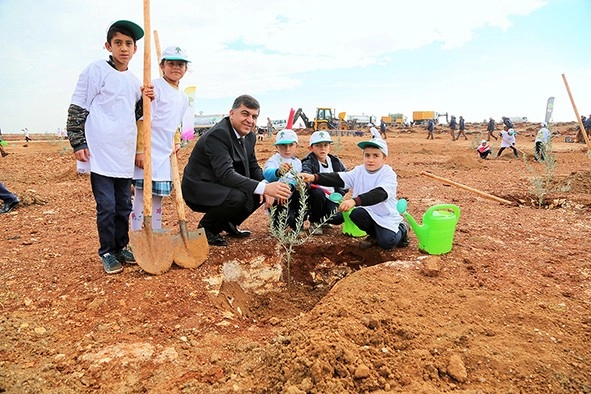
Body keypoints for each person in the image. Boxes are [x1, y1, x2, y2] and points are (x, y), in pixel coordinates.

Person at [67, 19, 151, 274]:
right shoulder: (96, 70)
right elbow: (78, 106)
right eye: (118, 43)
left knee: (124, 205)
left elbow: (138, 116)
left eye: (128, 44)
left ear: (135, 49)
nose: (124, 48)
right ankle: (106, 251)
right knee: (107, 205)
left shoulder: (135, 81)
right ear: (108, 46)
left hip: (123, 153)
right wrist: (78, 141)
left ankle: (121, 246)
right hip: (100, 151)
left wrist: (147, 98)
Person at [181, 94, 292, 246]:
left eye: (254, 116)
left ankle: (228, 223)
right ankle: (207, 229)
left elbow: (253, 166)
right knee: (241, 195)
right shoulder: (219, 135)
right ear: (232, 114)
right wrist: (265, 187)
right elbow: (226, 175)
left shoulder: (250, 136)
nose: (250, 120)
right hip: (200, 188)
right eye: (245, 114)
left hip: (220, 184)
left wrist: (265, 185)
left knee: (258, 189)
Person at [299, 138, 408, 250]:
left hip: (386, 215)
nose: (370, 160)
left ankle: (403, 228)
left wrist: (354, 201)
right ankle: (374, 235)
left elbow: (379, 194)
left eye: (376, 156)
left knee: (387, 243)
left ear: (385, 159)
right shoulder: (359, 171)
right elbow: (338, 178)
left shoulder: (388, 174)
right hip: (368, 212)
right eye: (367, 155)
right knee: (356, 214)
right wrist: (314, 177)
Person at [131, 45, 190, 232]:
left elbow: (175, 124)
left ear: (186, 68)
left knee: (157, 198)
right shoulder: (154, 87)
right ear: (162, 65)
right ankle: (136, 236)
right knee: (141, 196)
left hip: (164, 153)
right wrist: (140, 150)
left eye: (180, 64)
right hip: (149, 149)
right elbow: (142, 120)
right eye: (171, 63)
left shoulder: (183, 97)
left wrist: (177, 140)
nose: (176, 68)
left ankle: (155, 234)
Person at [301, 131, 347, 235]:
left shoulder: (335, 162)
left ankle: (324, 220)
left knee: (338, 217)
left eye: (325, 145)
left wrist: (340, 193)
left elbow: (346, 178)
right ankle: (315, 221)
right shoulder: (308, 162)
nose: (322, 148)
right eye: (318, 145)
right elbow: (305, 173)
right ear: (311, 148)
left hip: (332, 197)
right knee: (318, 193)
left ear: (329, 146)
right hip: (315, 198)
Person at [263, 129, 303, 230]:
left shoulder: (298, 163)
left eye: (291, 145)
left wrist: (288, 187)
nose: (287, 149)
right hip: (277, 201)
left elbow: (297, 178)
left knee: (303, 189)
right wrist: (278, 172)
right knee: (282, 223)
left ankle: (298, 225)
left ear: (296, 146)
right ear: (277, 147)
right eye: (283, 145)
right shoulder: (273, 160)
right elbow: (267, 174)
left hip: (292, 197)